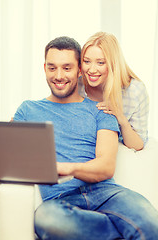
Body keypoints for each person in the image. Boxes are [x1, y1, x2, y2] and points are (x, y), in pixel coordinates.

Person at [13, 36, 158, 240]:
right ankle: (121, 233)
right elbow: (8, 156)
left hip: (106, 193)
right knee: (48, 220)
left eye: (67, 68)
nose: (59, 75)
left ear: (78, 71)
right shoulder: (28, 110)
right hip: (60, 199)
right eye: (52, 68)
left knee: (150, 222)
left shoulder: (101, 111)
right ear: (44, 68)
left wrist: (67, 168)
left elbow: (106, 166)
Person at [80, 31, 149, 151]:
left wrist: (120, 117)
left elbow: (138, 144)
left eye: (100, 63)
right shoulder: (78, 85)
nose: (91, 70)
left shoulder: (135, 91)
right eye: (87, 61)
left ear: (113, 64)